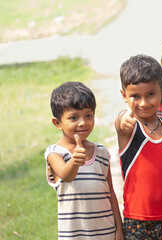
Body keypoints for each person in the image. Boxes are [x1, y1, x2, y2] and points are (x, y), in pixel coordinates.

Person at [115, 54, 162, 240]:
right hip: (137, 220)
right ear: (124, 96)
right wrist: (122, 119)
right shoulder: (128, 127)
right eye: (135, 96)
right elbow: (120, 122)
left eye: (150, 94)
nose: (144, 102)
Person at [44, 81, 124, 240]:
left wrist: (119, 229)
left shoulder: (101, 153)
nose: (83, 122)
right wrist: (74, 161)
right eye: (73, 117)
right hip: (75, 235)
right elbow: (66, 176)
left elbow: (111, 194)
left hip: (106, 232)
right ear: (58, 123)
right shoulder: (55, 153)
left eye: (88, 115)